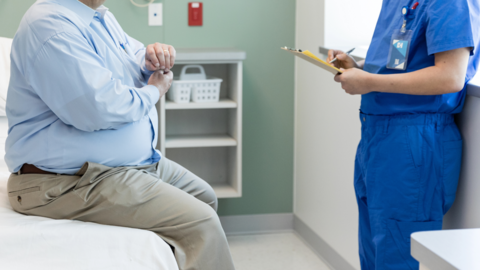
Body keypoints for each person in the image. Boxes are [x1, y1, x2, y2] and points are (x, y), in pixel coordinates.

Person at [5, 0, 235, 269]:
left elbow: (132, 57)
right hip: (65, 181)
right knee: (202, 223)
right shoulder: (49, 25)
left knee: (205, 197)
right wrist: (155, 90)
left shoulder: (98, 17)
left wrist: (150, 60)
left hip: (123, 167)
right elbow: (98, 108)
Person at [327, 0, 480, 269]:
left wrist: (369, 81)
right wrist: (359, 66)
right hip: (377, 135)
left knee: (397, 255)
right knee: (374, 249)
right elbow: (401, 60)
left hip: (413, 140)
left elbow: (450, 76)